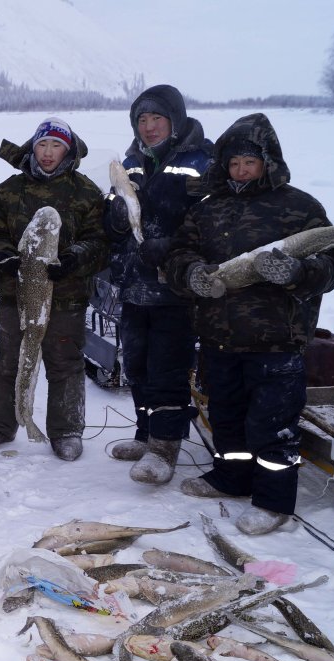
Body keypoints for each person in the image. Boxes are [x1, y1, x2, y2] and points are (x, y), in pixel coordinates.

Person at [164, 112, 334, 535]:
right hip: (218, 337)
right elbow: (178, 254)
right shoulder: (209, 209)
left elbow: (332, 263)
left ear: (269, 161)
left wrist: (298, 273)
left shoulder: (300, 207)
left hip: (276, 340)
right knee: (225, 416)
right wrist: (191, 274)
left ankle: (273, 500)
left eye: (250, 162)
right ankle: (231, 478)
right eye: (233, 163)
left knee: (271, 424)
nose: (241, 171)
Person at [0, 118, 108, 460]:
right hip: (15, 296)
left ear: (69, 150)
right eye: (42, 145)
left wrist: (75, 258)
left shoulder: (86, 191)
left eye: (56, 146)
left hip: (66, 296)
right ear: (33, 146)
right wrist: (1, 255)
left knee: (65, 363)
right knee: (8, 361)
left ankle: (67, 431)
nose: (48, 153)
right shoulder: (9, 190)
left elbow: (99, 240)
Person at [103, 85, 213, 485]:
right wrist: (113, 217)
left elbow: (213, 221)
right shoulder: (131, 161)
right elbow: (116, 215)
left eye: (156, 119)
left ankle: (165, 446)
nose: (148, 127)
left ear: (175, 120)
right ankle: (146, 433)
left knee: (167, 366)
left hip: (174, 286)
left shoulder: (202, 161)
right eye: (142, 120)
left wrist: (173, 245)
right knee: (136, 364)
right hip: (134, 283)